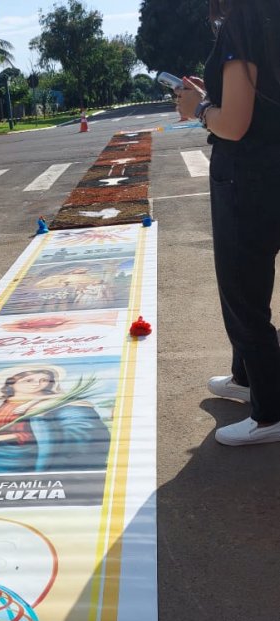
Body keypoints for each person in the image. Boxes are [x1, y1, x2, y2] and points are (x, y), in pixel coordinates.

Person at [176, 0, 280, 446]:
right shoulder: (268, 18)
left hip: (245, 177)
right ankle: (245, 378)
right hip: (269, 170)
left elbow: (234, 124)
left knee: (243, 296)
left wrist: (199, 108)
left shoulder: (243, 24)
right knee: (250, 286)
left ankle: (270, 412)